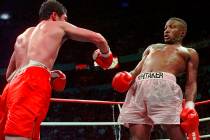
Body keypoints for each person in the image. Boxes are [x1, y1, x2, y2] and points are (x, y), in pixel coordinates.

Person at [0, 0, 113, 140]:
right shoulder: (57, 25)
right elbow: (98, 38)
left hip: (11, 88)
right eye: (64, 18)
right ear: (54, 15)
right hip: (32, 81)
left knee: (19, 134)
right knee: (17, 135)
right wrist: (106, 56)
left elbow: (9, 75)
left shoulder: (22, 35)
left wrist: (48, 73)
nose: (65, 21)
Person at [112, 17, 199, 140]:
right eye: (165, 28)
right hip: (138, 88)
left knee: (175, 133)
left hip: (165, 88)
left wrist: (190, 105)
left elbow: (191, 83)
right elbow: (136, 71)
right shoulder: (152, 47)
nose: (167, 30)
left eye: (172, 27)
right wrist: (127, 76)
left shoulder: (189, 52)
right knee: (137, 137)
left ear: (182, 32)